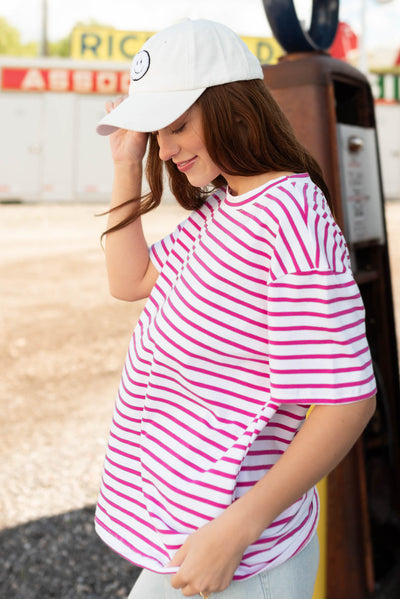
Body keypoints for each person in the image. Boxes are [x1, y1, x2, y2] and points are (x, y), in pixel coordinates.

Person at [95, 18, 376, 599]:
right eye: (156, 131)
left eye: (175, 126)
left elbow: (346, 401)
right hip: (194, 530)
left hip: (243, 553)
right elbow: (131, 280)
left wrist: (236, 529)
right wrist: (126, 160)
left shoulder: (288, 218)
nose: (164, 149)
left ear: (234, 108)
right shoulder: (226, 209)